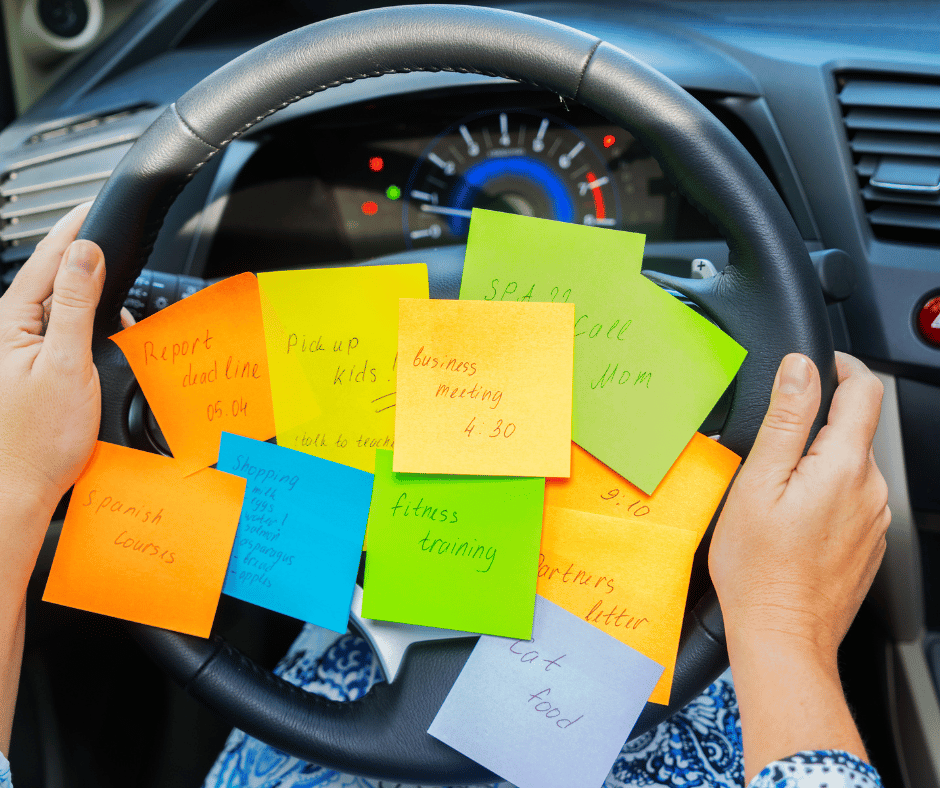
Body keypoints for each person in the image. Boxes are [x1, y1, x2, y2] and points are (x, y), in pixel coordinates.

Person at [0, 205, 890, 788]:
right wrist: (782, 624)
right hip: (635, 699)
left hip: (345, 716)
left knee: (344, 584)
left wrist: (13, 482)